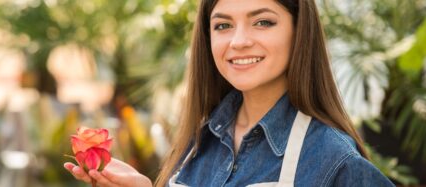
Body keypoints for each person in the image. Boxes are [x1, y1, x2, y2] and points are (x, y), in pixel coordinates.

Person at [64, 0, 396, 186]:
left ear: (299, 32)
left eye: (263, 22)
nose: (238, 41)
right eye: (223, 25)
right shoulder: (197, 146)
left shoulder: (333, 161)